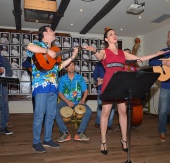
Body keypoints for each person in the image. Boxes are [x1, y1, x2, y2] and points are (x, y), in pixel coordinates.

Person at [84, 27, 170, 155]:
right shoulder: (104, 51)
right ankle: (103, 141)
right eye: (111, 34)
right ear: (106, 39)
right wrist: (95, 51)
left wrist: (157, 54)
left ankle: (124, 140)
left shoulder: (122, 53)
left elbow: (140, 59)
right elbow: (99, 56)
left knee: (123, 112)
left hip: (121, 83)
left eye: (115, 34)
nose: (114, 35)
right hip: (109, 83)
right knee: (105, 113)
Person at [26, 25, 78, 153]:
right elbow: (29, 47)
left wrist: (72, 57)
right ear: (44, 33)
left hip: (53, 86)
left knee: (50, 115)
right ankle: (36, 142)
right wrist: (46, 51)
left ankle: (47, 139)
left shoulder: (55, 50)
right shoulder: (37, 44)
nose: (54, 32)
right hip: (41, 85)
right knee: (39, 115)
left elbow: (59, 66)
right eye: (51, 30)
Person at [56, 61, 92, 142]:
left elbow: (85, 91)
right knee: (54, 110)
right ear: (66, 68)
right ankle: (64, 133)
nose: (71, 67)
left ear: (75, 67)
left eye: (73, 65)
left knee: (89, 111)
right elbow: (60, 93)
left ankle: (80, 133)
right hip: (65, 101)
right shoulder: (62, 79)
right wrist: (67, 101)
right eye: (69, 66)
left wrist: (83, 99)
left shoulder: (80, 78)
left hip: (78, 102)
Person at [149, 30, 170, 142]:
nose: (169, 39)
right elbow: (151, 61)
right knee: (163, 111)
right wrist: (164, 63)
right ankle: (162, 132)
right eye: (168, 37)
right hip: (166, 86)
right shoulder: (164, 51)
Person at [92, 61, 115, 133]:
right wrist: (98, 79)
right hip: (101, 88)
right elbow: (95, 74)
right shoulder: (99, 64)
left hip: (112, 88)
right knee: (100, 106)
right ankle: (98, 122)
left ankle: (109, 125)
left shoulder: (114, 63)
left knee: (112, 107)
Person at [0, 54, 13, 135]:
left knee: (4, 104)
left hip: (2, 85)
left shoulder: (4, 59)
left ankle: (5, 123)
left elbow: (10, 72)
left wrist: (4, 72)